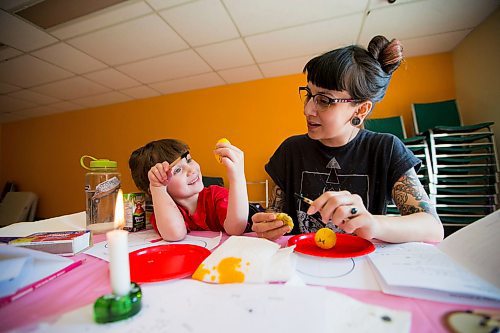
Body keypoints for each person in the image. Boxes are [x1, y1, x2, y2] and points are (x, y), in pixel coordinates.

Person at [252, 35, 444, 243]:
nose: (307, 110)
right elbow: (273, 215)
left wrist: (374, 223)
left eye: (324, 100)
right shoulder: (291, 150)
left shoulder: (385, 149)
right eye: (308, 95)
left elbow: (432, 228)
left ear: (361, 109)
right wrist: (266, 225)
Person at [129, 139, 249, 241]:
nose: (191, 170)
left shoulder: (216, 195)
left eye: (189, 160)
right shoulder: (163, 212)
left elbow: (236, 228)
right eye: (177, 170)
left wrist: (237, 177)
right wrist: (157, 188)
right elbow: (175, 234)